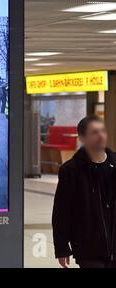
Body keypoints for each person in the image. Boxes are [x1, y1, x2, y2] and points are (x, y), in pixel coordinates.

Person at [52, 115, 116, 268]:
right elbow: (62, 211)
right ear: (82, 138)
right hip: (88, 249)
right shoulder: (71, 170)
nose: (100, 136)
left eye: (102, 131)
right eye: (94, 132)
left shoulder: (115, 164)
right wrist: (61, 248)